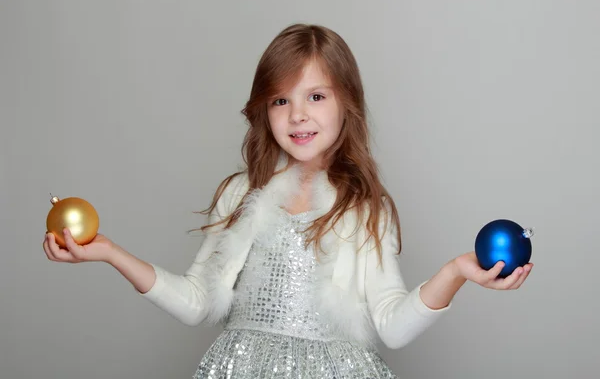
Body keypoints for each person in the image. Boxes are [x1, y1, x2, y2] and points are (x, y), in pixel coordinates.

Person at [42, 23, 533, 378]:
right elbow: (196, 302)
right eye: (281, 100)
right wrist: (109, 253)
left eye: (316, 96)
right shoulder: (242, 194)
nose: (298, 115)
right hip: (242, 369)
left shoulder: (363, 207)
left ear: (347, 104)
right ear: (264, 110)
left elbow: (392, 326)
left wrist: (454, 273)